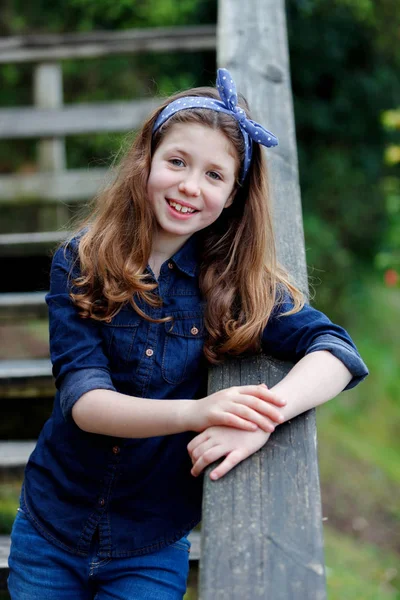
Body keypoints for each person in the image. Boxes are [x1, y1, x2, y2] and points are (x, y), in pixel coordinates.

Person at [8, 68, 368, 599]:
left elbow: (336, 351)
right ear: (145, 160)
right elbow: (86, 401)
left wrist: (261, 418)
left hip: (150, 545)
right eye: (177, 161)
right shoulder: (81, 261)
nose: (189, 186)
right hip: (50, 527)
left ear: (232, 196)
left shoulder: (232, 284)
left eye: (214, 175)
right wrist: (198, 413)